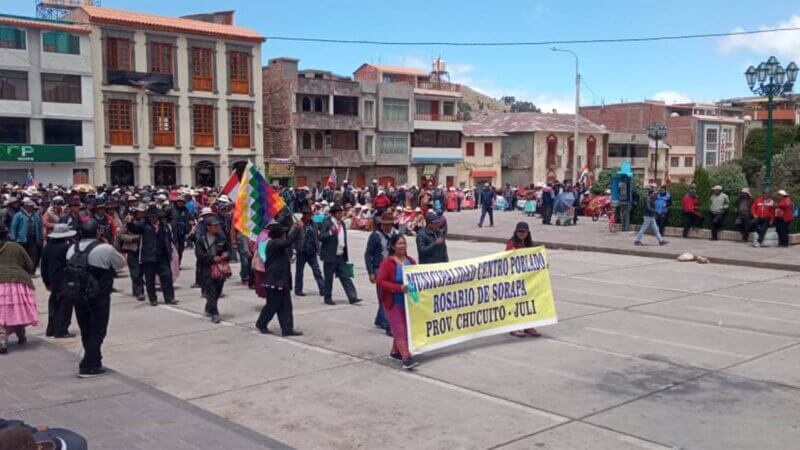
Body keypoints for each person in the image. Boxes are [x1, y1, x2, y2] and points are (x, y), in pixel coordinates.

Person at [66, 220, 126, 377]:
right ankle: (88, 365)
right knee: (98, 330)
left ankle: (95, 360)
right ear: (98, 233)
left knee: (86, 329)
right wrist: (106, 243)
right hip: (98, 295)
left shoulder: (72, 248)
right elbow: (121, 264)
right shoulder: (104, 248)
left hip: (78, 294)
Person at [376, 234, 418, 370]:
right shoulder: (388, 263)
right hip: (392, 303)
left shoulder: (411, 261)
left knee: (405, 328)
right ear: (393, 246)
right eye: (399, 243)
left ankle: (395, 353)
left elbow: (415, 280)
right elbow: (381, 282)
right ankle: (406, 358)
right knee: (400, 330)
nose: (402, 246)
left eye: (404, 243)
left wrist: (417, 299)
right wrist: (398, 288)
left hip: (408, 303)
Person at [256, 221, 304, 336]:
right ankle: (261, 324)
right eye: (283, 233)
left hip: (282, 281)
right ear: (279, 234)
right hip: (274, 281)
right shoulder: (273, 243)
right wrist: (297, 228)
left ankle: (287, 328)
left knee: (286, 306)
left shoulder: (277, 243)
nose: (285, 234)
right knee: (272, 305)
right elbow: (288, 242)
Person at [127, 206, 176, 306]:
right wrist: (130, 223)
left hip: (162, 256)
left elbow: (169, 238)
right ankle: (153, 299)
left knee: (167, 277)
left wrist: (169, 251)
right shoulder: (143, 225)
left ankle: (169, 298)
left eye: (154, 216)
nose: (153, 218)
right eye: (150, 216)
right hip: (149, 257)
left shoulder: (164, 226)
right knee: (150, 279)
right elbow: (134, 229)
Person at [0, 224, 37, 355]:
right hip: (17, 280)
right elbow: (29, 264)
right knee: (17, 309)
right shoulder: (15, 246)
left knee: (1, 312)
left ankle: (2, 337)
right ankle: (21, 334)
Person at [319, 204, 362, 305]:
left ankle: (352, 297)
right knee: (329, 278)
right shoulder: (327, 223)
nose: (341, 214)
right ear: (334, 214)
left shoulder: (341, 223)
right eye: (339, 213)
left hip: (341, 254)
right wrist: (330, 232)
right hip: (330, 255)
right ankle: (327, 297)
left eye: (342, 213)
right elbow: (321, 236)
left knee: (345, 276)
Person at [505, 222, 541, 338]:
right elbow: (506, 259)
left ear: (527, 233)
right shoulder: (512, 243)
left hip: (527, 279)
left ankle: (528, 326)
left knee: (528, 302)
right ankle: (513, 327)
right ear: (516, 232)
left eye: (524, 232)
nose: (522, 234)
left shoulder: (528, 244)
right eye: (520, 231)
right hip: (515, 279)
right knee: (515, 303)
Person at [40, 224, 77, 339]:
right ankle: (61, 330)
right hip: (64, 280)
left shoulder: (47, 247)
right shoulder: (66, 248)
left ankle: (51, 329)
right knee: (65, 306)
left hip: (52, 280)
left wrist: (47, 282)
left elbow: (43, 267)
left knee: (54, 305)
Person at [365, 211, 397, 335]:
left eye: (389, 224)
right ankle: (387, 324)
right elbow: (368, 254)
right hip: (380, 269)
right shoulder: (375, 236)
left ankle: (380, 319)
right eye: (384, 224)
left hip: (394, 269)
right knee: (384, 296)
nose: (386, 226)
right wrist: (370, 272)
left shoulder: (397, 235)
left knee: (390, 296)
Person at [195, 216, 230, 323]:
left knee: (218, 291)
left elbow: (228, 249)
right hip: (207, 268)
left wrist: (226, 254)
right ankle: (215, 313)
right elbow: (199, 254)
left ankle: (209, 306)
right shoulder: (201, 239)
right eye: (214, 225)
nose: (217, 227)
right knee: (212, 291)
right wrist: (212, 258)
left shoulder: (221, 237)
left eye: (217, 225)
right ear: (208, 227)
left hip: (220, 269)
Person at [295, 207, 325, 297]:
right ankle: (298, 289)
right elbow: (292, 236)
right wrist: (295, 248)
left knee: (317, 271)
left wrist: (318, 249)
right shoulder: (298, 224)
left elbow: (317, 237)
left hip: (312, 251)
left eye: (310, 215)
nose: (310, 216)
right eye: (308, 215)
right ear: (304, 215)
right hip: (302, 251)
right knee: (299, 272)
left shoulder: (314, 224)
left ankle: (323, 289)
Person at [10, 198, 43, 275]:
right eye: (30, 206)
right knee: (22, 255)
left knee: (33, 255)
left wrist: (41, 237)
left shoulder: (36, 215)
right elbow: (14, 227)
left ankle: (31, 272)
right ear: (25, 206)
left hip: (33, 238)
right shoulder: (18, 215)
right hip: (22, 239)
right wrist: (13, 238)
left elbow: (40, 227)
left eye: (32, 206)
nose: (31, 207)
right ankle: (23, 272)